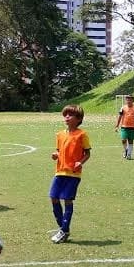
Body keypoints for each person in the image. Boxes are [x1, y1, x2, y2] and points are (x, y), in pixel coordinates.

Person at [49, 104, 91, 244]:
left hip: (73, 174)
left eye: (70, 115)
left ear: (78, 119)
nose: (66, 117)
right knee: (54, 197)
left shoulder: (82, 135)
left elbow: (87, 153)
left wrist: (80, 162)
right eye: (65, 115)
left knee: (67, 200)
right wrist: (56, 154)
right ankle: (63, 229)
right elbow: (59, 150)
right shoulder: (60, 134)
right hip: (60, 171)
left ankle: (64, 230)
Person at [115, 94, 134, 159]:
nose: (128, 100)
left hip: (132, 127)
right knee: (123, 140)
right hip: (124, 126)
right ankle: (126, 150)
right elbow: (120, 117)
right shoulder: (123, 108)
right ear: (126, 100)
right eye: (127, 99)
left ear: (133, 100)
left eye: (130, 99)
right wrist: (117, 126)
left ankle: (129, 154)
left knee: (130, 141)